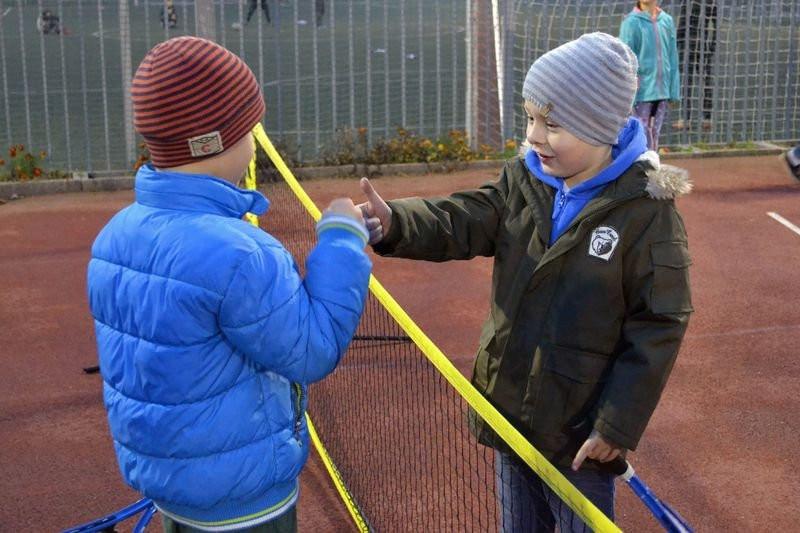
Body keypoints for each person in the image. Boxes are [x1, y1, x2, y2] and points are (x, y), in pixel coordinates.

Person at [357, 32, 692, 532]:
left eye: (552, 124)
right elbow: (466, 217)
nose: (534, 136)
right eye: (531, 118)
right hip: (509, 412)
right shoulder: (525, 178)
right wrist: (398, 222)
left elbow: (659, 323)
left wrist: (616, 425)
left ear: (599, 127)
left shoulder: (647, 215)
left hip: (579, 439)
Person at [86, 36, 372, 533]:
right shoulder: (243, 254)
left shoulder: (114, 237)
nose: (254, 141)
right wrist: (342, 239)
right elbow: (313, 348)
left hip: (172, 487)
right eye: (249, 130)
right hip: (245, 501)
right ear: (219, 143)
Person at [620, 0, 680, 153]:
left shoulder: (666, 21)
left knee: (654, 133)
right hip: (640, 93)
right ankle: (641, 169)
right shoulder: (631, 23)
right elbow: (625, 60)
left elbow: (672, 56)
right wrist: (627, 94)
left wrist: (674, 90)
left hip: (662, 91)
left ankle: (650, 168)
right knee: (641, 134)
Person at [672, 0, 717, 131]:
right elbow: (715, 25)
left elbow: (682, 24)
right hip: (703, 46)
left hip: (688, 46)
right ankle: (706, 119)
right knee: (705, 80)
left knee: (687, 81)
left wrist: (677, 44)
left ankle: (686, 120)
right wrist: (712, 46)